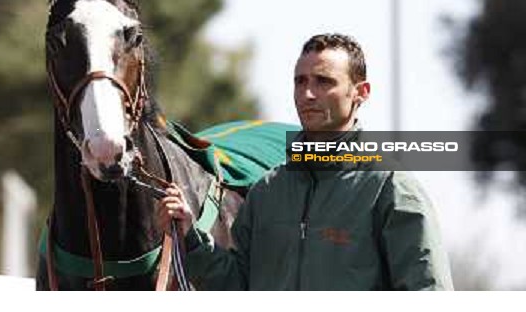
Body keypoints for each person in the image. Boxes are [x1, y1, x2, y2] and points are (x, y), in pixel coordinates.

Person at [158, 33, 454, 290]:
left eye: (324, 82)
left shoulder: (391, 189)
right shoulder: (266, 192)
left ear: (360, 93)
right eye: (300, 81)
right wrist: (190, 235)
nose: (307, 94)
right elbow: (238, 286)